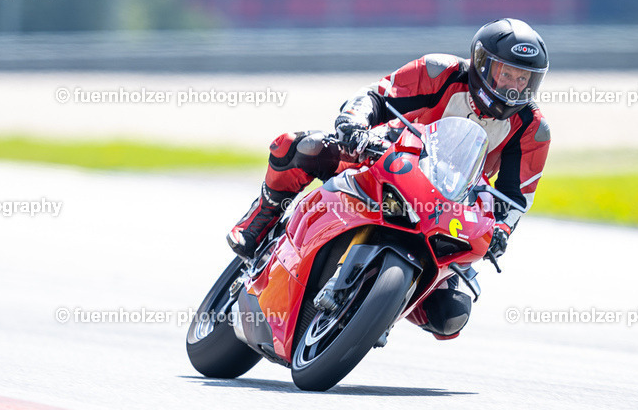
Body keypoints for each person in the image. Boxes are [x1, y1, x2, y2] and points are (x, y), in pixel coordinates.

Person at [227, 18, 551, 339]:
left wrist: (502, 230)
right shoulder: (440, 71)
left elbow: (516, 196)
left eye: (523, 78)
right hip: (389, 158)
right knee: (304, 147)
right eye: (505, 72)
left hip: (451, 204)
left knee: (450, 316)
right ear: (481, 63)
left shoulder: (531, 128)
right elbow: (378, 96)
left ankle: (381, 308)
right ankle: (262, 217)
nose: (513, 85)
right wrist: (354, 124)